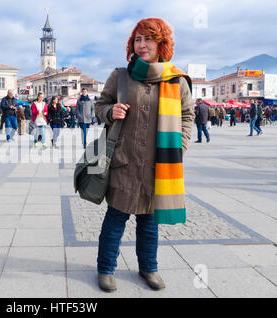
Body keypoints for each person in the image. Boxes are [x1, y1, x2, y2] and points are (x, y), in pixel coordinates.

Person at [95, 18, 195, 293]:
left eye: (148, 38)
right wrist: (108, 111)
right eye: (137, 39)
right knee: (114, 222)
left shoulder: (176, 80)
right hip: (123, 163)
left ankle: (148, 267)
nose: (141, 44)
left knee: (150, 224)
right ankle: (105, 269)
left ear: (161, 43)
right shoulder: (121, 76)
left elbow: (188, 116)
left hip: (159, 166)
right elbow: (100, 105)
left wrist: (179, 147)